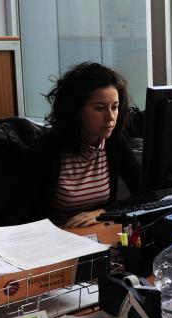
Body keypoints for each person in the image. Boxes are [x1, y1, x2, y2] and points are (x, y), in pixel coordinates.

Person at [32, 62, 142, 227]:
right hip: (57, 240)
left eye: (115, 107)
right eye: (99, 108)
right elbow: (20, 216)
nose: (110, 117)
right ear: (75, 110)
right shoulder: (47, 149)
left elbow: (147, 195)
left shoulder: (114, 143)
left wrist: (104, 212)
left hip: (100, 236)